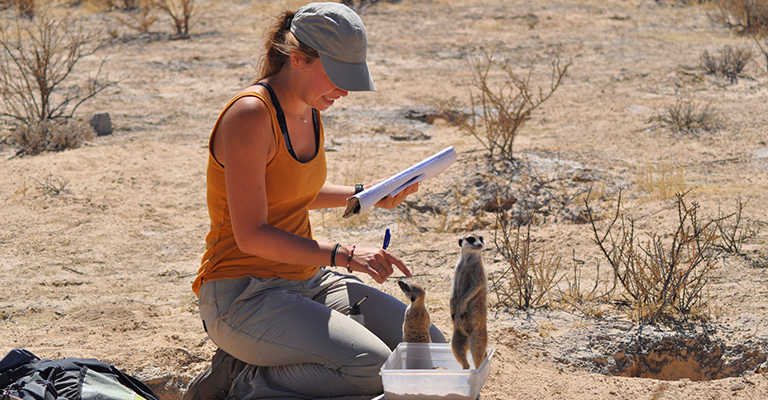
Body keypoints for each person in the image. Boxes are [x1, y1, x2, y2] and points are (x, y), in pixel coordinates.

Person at [185, 3, 446, 399]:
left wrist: (368, 194)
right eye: (338, 77)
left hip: (307, 279)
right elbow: (252, 235)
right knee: (374, 368)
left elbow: (292, 192)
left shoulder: (310, 107)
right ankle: (242, 385)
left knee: (429, 349)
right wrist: (344, 254)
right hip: (242, 292)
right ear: (299, 58)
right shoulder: (251, 115)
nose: (343, 91)